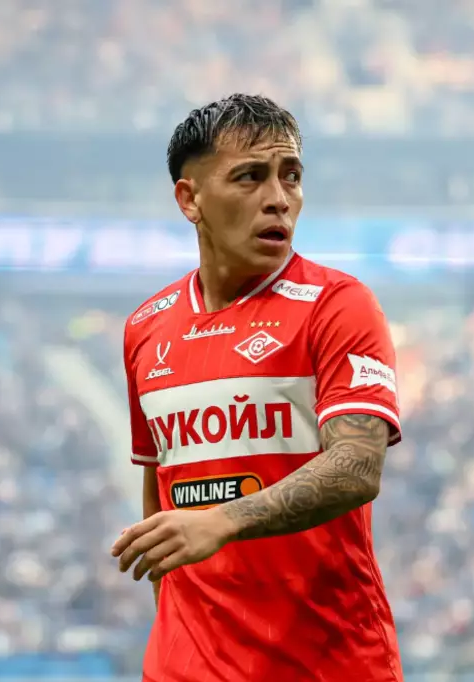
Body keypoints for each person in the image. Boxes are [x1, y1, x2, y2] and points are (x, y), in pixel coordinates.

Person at [112, 94, 403, 682]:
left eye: (290, 175)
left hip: (327, 663)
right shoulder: (146, 327)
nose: (279, 198)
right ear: (190, 200)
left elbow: (356, 467)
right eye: (250, 177)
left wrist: (222, 521)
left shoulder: (337, 305)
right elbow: (160, 491)